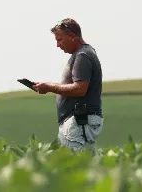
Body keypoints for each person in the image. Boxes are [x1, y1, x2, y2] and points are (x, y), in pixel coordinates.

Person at [33, 18, 103, 154]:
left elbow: (80, 89)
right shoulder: (84, 53)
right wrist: (48, 85)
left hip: (79, 120)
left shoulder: (83, 55)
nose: (57, 45)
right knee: (83, 163)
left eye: (59, 40)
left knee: (76, 164)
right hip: (78, 120)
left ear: (72, 36)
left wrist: (49, 87)